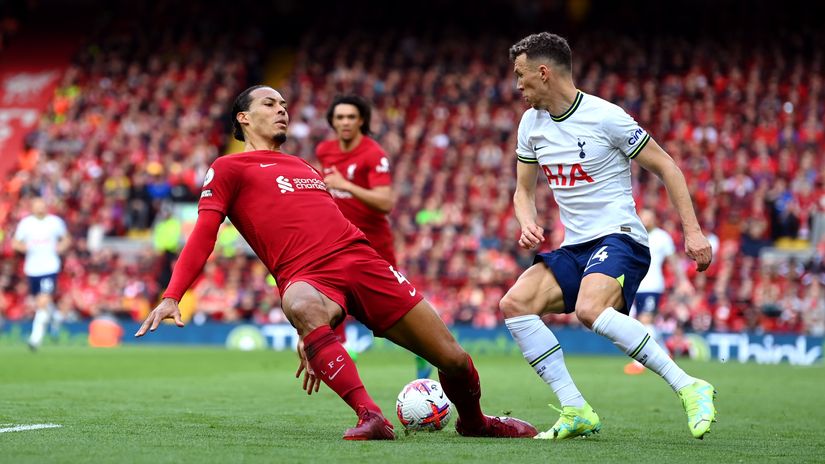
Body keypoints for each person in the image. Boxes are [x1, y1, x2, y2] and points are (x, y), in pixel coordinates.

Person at [135, 85, 537, 441]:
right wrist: (173, 295)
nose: (282, 110)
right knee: (301, 306)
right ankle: (371, 415)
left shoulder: (305, 165)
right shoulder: (227, 168)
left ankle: (475, 422)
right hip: (307, 275)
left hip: (362, 260)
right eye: (271, 103)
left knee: (453, 358)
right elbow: (205, 231)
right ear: (243, 117)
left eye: (285, 105)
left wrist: (316, 339)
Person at [500, 32, 717, 440]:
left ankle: (689, 385)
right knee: (514, 303)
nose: (517, 85)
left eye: (521, 75)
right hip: (575, 245)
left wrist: (693, 232)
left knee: (589, 308)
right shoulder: (530, 124)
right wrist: (526, 221)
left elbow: (668, 167)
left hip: (621, 238)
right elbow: (523, 190)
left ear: (543, 73)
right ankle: (575, 408)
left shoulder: (606, 117)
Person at [316, 95, 432, 379]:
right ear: (332, 121)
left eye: (351, 117)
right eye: (339, 117)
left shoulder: (373, 154)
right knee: (329, 292)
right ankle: (340, 349)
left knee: (393, 311)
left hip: (373, 244)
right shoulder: (324, 150)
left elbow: (385, 202)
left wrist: (346, 185)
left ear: (362, 121)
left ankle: (424, 349)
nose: (344, 122)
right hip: (338, 241)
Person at [625, 209, 691, 375]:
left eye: (648, 218)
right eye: (643, 217)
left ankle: (639, 363)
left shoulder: (662, 237)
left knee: (645, 320)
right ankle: (666, 353)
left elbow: (673, 261)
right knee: (642, 324)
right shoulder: (634, 234)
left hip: (653, 286)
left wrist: (682, 281)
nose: (645, 221)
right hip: (636, 286)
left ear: (654, 219)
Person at [12, 197, 71, 351]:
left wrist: (60, 247)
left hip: (50, 267)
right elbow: (15, 242)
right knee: (40, 302)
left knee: (43, 301)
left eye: (42, 205)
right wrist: (24, 248)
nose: (40, 208)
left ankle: (35, 339)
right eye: (37, 206)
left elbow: (66, 239)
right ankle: (56, 317)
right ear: (32, 207)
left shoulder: (55, 222)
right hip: (32, 268)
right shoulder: (26, 224)